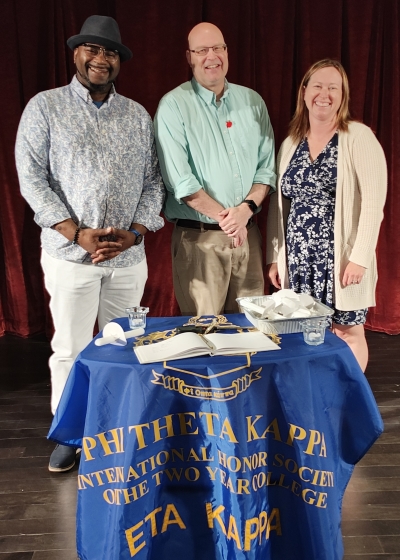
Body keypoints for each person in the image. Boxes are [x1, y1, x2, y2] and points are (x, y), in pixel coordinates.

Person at [15, 15, 165, 472]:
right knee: (71, 349)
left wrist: (135, 232)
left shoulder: (137, 115)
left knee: (123, 347)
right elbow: (31, 179)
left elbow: (154, 182)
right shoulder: (44, 107)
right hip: (69, 256)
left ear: (120, 61)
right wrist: (75, 233)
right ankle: (70, 434)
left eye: (111, 52)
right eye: (93, 50)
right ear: (76, 53)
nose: (102, 59)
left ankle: (118, 427)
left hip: (127, 256)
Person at [266, 59, 387, 371]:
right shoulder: (291, 143)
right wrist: (276, 256)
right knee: (303, 332)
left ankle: (349, 400)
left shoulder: (358, 137)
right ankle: (314, 394)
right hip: (299, 258)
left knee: (348, 333)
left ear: (343, 95)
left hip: (341, 259)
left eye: (334, 87)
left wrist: (360, 257)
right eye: (318, 86)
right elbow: (280, 207)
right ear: (304, 92)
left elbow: (374, 204)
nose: (325, 93)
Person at [154, 22, 276, 316]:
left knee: (251, 331)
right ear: (189, 57)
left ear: (227, 52)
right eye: (202, 50)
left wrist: (245, 211)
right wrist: (229, 220)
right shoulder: (173, 106)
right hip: (199, 242)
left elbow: (266, 170)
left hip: (248, 237)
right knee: (205, 336)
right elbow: (181, 183)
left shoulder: (253, 102)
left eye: (217, 48)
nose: (212, 56)